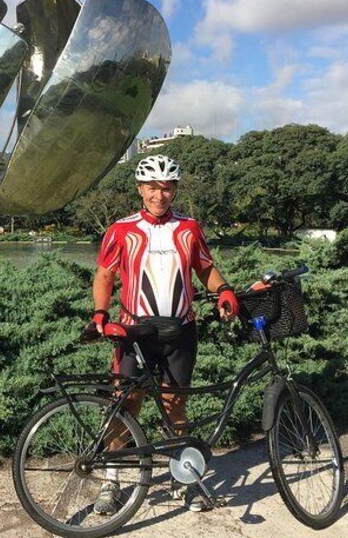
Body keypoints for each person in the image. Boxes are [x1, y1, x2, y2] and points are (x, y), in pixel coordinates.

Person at [90, 154, 239, 515]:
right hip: (135, 331)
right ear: (140, 189)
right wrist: (100, 312)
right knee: (125, 405)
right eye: (153, 187)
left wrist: (224, 291)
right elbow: (105, 275)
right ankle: (112, 481)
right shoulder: (121, 229)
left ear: (174, 189)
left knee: (175, 404)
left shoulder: (189, 227)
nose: (160, 194)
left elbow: (205, 268)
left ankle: (182, 477)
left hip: (180, 331)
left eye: (167, 187)